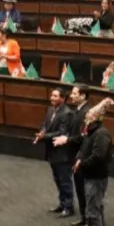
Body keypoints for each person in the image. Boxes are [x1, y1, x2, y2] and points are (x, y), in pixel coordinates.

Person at [75, 100, 113, 226]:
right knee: (96, 206)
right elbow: (84, 149)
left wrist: (82, 164)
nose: (86, 115)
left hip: (97, 176)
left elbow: (98, 156)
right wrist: (79, 158)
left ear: (96, 118)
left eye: (89, 114)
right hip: (90, 175)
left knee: (92, 209)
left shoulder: (101, 134)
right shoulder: (90, 131)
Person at [35, 87, 76, 218]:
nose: (52, 98)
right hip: (52, 151)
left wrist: (44, 136)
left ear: (63, 99)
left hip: (62, 153)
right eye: (52, 95)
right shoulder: (50, 109)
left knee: (65, 180)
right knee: (57, 179)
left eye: (55, 96)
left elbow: (62, 132)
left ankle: (69, 207)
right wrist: (42, 131)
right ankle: (62, 204)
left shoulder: (67, 113)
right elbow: (45, 124)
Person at [62, 85, 92, 226]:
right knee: (79, 188)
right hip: (75, 155)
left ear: (83, 96)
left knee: (85, 190)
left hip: (83, 156)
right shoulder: (78, 111)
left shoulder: (87, 113)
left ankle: (89, 220)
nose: (71, 96)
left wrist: (67, 140)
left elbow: (83, 137)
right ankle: (83, 217)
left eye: (74, 93)